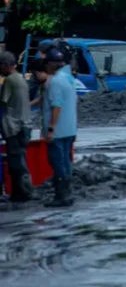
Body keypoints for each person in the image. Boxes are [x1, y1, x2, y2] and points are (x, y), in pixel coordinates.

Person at [30, 47, 78, 207]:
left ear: (50, 64)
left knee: (57, 163)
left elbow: (56, 106)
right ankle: (67, 194)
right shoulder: (68, 78)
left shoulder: (55, 82)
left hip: (58, 131)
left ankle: (61, 196)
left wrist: (51, 129)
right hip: (69, 129)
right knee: (65, 162)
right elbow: (47, 99)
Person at [0, 51, 32, 202]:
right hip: (24, 125)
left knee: (15, 162)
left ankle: (22, 193)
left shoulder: (10, 81)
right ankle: (22, 192)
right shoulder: (20, 78)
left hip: (13, 127)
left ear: (6, 65)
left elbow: (2, 102)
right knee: (20, 158)